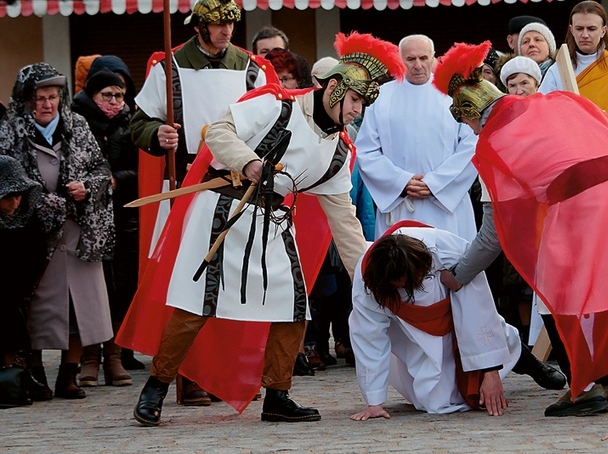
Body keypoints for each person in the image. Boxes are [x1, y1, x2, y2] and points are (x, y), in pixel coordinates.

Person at [120, 31, 406, 426]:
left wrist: (367, 275)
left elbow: (345, 223)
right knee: (195, 304)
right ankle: (155, 388)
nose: (358, 110)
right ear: (335, 88)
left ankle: (277, 395)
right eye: (355, 99)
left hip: (272, 221)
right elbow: (219, 131)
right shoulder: (278, 105)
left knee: (293, 308)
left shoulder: (340, 152)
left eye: (364, 103)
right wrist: (250, 162)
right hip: (225, 209)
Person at [434, 41, 608, 417]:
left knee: (556, 296)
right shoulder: (543, 104)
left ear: (473, 112)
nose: (469, 130)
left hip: (585, 204)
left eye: (466, 121)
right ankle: (600, 383)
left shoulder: (495, 142)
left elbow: (492, 234)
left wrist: (458, 274)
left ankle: (586, 387)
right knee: (605, 293)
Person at [129, 0, 267, 405]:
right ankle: (183, 373)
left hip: (239, 184)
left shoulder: (251, 69)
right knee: (188, 284)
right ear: (199, 25)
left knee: (232, 282)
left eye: (231, 24)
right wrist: (158, 133)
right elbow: (139, 122)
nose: (226, 32)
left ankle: (220, 371)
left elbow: (267, 123)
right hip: (189, 185)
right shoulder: (168, 68)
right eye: (216, 25)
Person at [0, 63, 115, 400]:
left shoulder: (77, 126)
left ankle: (69, 374)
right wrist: (37, 199)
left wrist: (88, 187)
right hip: (32, 234)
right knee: (36, 306)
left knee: (81, 307)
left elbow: (101, 169)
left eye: (52, 97)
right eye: (39, 98)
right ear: (25, 100)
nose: (47, 104)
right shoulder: (10, 131)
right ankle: (34, 373)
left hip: (77, 231)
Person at [349, 224, 522, 419]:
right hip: (412, 335)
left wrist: (491, 371)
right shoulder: (366, 285)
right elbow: (369, 339)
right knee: (434, 400)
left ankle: (524, 358)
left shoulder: (447, 249)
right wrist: (374, 402)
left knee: (497, 332)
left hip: (459, 313)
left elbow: (478, 307)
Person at [356, 34, 478, 240]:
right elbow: (366, 150)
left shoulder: (454, 94)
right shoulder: (381, 96)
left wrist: (435, 183)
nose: (418, 65)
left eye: (423, 58)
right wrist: (400, 182)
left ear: (433, 59)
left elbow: (471, 145)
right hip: (400, 204)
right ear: (399, 60)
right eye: (410, 59)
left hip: (447, 205)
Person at [72, 69, 137, 387]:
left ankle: (114, 356)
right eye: (107, 95)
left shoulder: (130, 122)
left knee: (119, 288)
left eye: (119, 95)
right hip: (85, 217)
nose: (114, 102)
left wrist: (115, 180)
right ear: (91, 95)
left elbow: (140, 170)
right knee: (87, 289)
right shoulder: (75, 123)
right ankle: (89, 357)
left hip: (122, 216)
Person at [539, 0, 608, 121]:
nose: (585, 35)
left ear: (603, 31)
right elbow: (542, 112)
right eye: (579, 28)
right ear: (571, 30)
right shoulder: (558, 69)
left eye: (591, 29)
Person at [0, 156, 46, 375]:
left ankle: (13, 378)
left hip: (15, 294)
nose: (15, 203)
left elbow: (35, 257)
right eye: (8, 197)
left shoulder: (29, 219)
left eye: (19, 196)